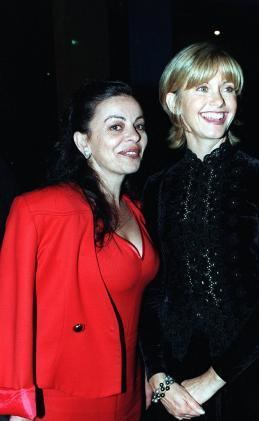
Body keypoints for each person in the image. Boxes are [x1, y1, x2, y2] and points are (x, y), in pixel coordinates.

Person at [140, 42, 259, 421]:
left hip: (252, 377)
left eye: (228, 88)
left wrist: (212, 379)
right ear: (174, 102)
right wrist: (159, 375)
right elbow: (153, 289)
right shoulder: (157, 187)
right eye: (203, 88)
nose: (220, 100)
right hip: (176, 380)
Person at [0, 80, 159, 421]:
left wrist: (148, 370)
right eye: (116, 126)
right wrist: (17, 403)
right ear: (83, 142)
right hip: (64, 397)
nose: (133, 137)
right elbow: (12, 311)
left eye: (139, 126)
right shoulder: (42, 209)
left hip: (130, 390)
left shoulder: (138, 209)